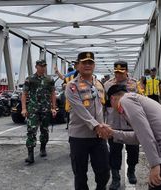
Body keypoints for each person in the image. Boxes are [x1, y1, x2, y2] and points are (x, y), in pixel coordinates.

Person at [101, 84, 161, 190]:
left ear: (112, 98)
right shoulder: (136, 99)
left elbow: (144, 133)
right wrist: (113, 133)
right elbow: (140, 136)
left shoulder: (126, 100)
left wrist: (155, 164)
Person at [65, 52, 110, 190]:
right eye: (84, 62)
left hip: (98, 137)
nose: (87, 65)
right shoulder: (72, 86)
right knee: (80, 174)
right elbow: (81, 110)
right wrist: (97, 126)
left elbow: (103, 107)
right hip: (79, 137)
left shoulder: (99, 84)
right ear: (77, 65)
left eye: (90, 62)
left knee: (104, 172)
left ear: (94, 65)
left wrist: (106, 125)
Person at [104, 60, 141, 189]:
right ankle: (115, 178)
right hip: (113, 124)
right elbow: (104, 105)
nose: (118, 75)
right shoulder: (107, 85)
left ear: (126, 71)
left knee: (133, 151)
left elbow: (140, 103)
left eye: (121, 72)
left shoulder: (135, 84)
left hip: (131, 124)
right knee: (114, 153)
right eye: (116, 72)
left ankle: (131, 171)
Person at [21, 59, 57, 164]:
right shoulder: (30, 79)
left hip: (46, 109)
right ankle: (30, 155)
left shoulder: (49, 79)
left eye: (44, 66)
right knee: (31, 130)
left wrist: (54, 107)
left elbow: (53, 94)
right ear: (36, 66)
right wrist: (24, 108)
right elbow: (24, 93)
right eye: (41, 66)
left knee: (44, 130)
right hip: (33, 109)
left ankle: (43, 148)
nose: (43, 68)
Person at [55, 64, 79, 130]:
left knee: (69, 110)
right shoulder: (75, 74)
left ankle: (69, 125)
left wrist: (57, 72)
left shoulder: (69, 75)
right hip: (76, 97)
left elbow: (62, 78)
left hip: (70, 97)